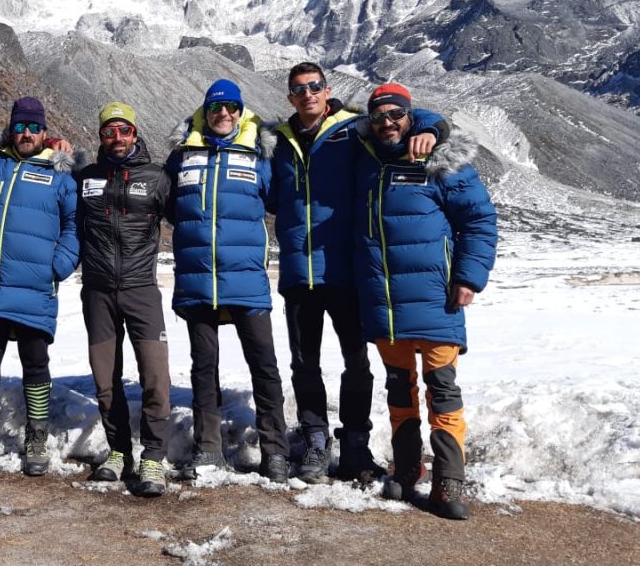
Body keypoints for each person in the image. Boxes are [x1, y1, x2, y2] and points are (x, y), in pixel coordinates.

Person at [267, 63, 448, 484]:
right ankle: (314, 440)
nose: (307, 94)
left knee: (356, 361)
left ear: (327, 90)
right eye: (298, 89)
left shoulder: (355, 128)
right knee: (303, 362)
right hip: (299, 270)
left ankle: (355, 444)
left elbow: (406, 118)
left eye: (314, 87)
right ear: (290, 96)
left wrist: (433, 131)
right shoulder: (278, 139)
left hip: (347, 268)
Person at [353, 83, 497, 520]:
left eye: (396, 115)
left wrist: (470, 277)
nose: (387, 123)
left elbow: (479, 219)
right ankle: (407, 469)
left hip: (436, 301)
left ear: (409, 116)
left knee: (443, 394)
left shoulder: (439, 160)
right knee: (399, 390)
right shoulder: (366, 160)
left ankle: (448, 482)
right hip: (386, 304)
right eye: (379, 117)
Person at [165, 79, 290, 483]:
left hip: (247, 280)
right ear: (205, 112)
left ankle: (275, 451)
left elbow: (282, 200)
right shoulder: (183, 155)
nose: (224, 114)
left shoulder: (259, 155)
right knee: (204, 368)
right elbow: (166, 204)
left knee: (264, 367)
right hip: (199, 281)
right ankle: (208, 448)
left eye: (232, 108)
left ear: (241, 112)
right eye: (217, 108)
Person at [0, 97, 80, 477]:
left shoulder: (61, 174)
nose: (26, 133)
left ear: (44, 131)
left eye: (33, 127)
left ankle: (37, 435)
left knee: (35, 364)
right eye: (20, 127)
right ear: (12, 129)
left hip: (35, 286)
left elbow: (76, 226)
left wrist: (57, 267)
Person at [76, 102, 172, 497]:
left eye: (124, 131)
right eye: (108, 132)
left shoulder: (156, 178)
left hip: (141, 290)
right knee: (105, 380)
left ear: (136, 133)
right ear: (100, 136)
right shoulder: (86, 177)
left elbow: (190, 219)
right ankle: (118, 451)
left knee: (155, 376)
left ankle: (153, 455)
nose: (117, 139)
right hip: (97, 291)